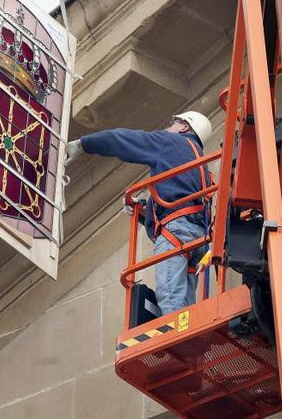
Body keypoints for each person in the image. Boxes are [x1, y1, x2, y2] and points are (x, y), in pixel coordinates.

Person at [65, 111, 213, 316]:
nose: (167, 127)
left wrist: (83, 144)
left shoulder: (170, 143)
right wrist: (144, 211)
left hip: (176, 234)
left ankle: (174, 338)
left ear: (184, 127)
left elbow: (123, 140)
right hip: (199, 240)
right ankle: (187, 342)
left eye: (173, 123)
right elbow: (183, 198)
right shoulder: (202, 166)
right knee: (185, 312)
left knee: (171, 300)